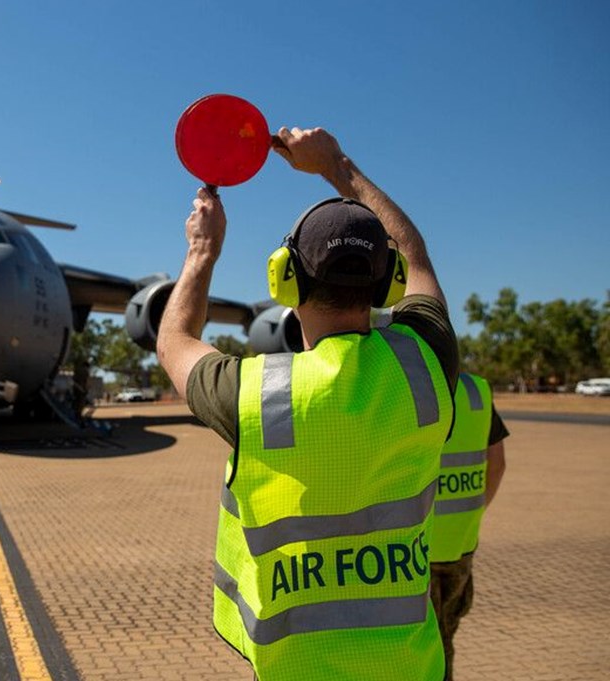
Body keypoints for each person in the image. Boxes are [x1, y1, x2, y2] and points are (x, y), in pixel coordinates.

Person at [157, 126, 459, 681]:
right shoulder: (425, 365)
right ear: (388, 283)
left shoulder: (251, 393)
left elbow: (173, 340)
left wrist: (202, 251)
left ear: (285, 280)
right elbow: (416, 257)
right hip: (412, 669)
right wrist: (337, 165)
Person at [431, 371, 509, 680]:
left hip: (415, 550)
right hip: (460, 546)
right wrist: (471, 511)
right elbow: (498, 464)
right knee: (445, 642)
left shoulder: (409, 384)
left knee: (419, 654)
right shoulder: (476, 391)